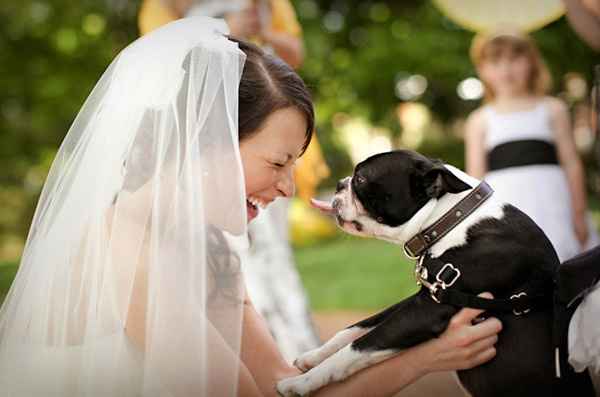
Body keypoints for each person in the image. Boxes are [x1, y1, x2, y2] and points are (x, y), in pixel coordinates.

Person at [0, 18, 501, 396]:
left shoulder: (208, 246)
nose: (287, 189)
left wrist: (424, 348)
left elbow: (282, 383)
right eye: (278, 162)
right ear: (205, 141)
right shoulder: (129, 250)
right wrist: (422, 360)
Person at [138, 0, 323, 361]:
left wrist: (262, 31)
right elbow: (165, 65)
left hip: (262, 112)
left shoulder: (269, 6)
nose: (289, 188)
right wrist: (227, 28)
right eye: (278, 166)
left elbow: (294, 51)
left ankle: (294, 340)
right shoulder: (162, 8)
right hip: (243, 127)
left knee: (272, 255)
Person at [465, 28, 599, 262]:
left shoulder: (552, 109)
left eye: (515, 58)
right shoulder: (479, 120)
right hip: (507, 206)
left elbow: (571, 163)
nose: (506, 69)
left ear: (532, 62)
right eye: (495, 61)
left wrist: (578, 213)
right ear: (482, 69)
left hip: (553, 203)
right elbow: (476, 178)